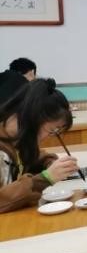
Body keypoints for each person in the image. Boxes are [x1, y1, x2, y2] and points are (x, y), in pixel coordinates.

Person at [0, 78, 79, 213]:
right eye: (52, 130)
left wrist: (50, 163)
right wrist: (46, 178)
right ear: (33, 118)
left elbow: (34, 156)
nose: (49, 136)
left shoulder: (18, 140)